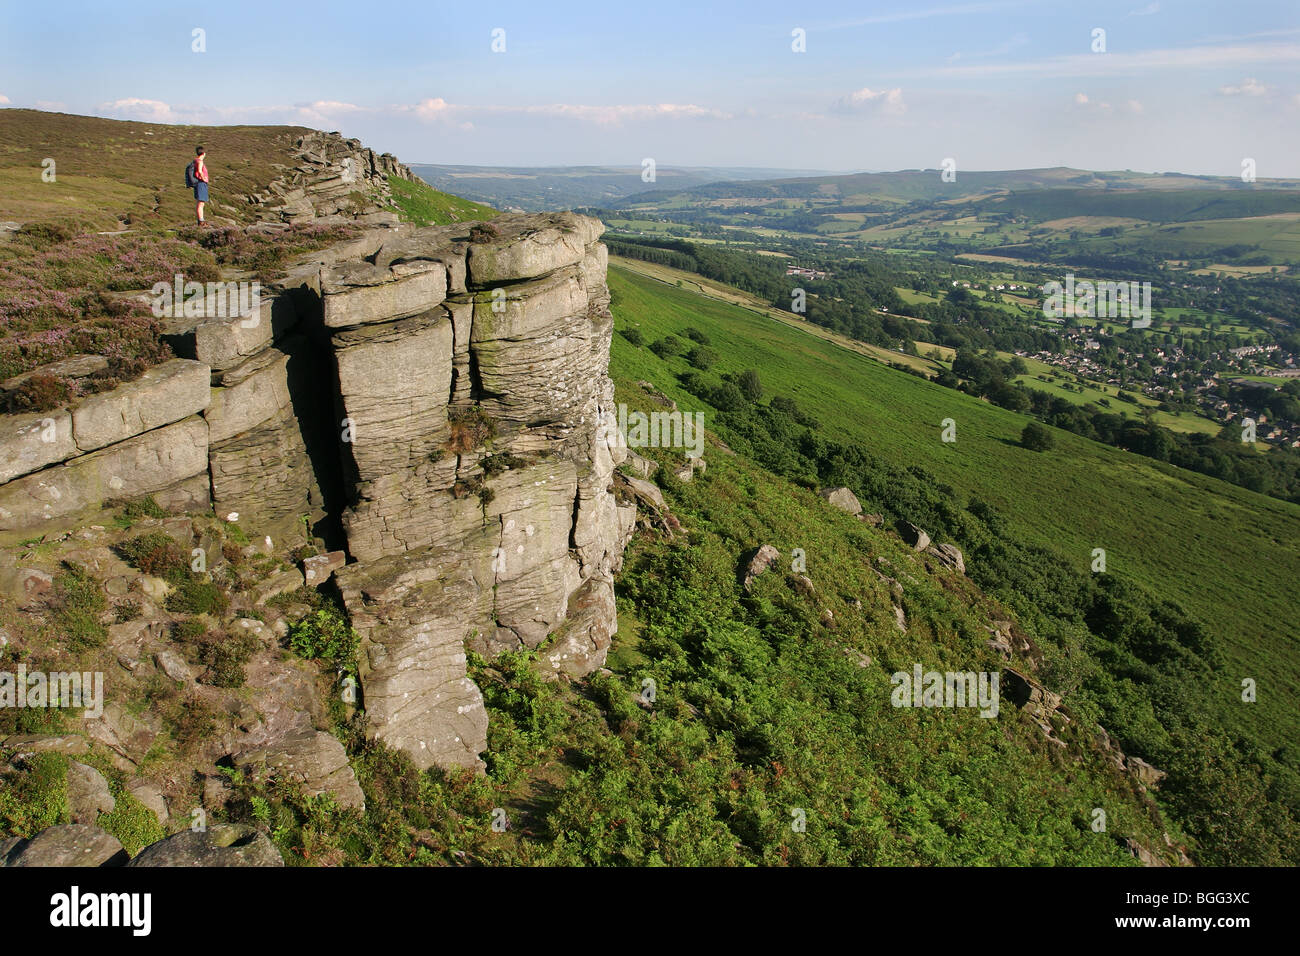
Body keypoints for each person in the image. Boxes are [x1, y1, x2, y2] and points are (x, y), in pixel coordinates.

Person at [191, 146, 209, 226]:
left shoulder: (195, 161)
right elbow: (199, 171)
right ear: (203, 153)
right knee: (201, 203)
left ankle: (201, 220)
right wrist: (204, 178)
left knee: (200, 202)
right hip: (201, 183)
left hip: (198, 183)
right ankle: (201, 221)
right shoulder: (200, 161)